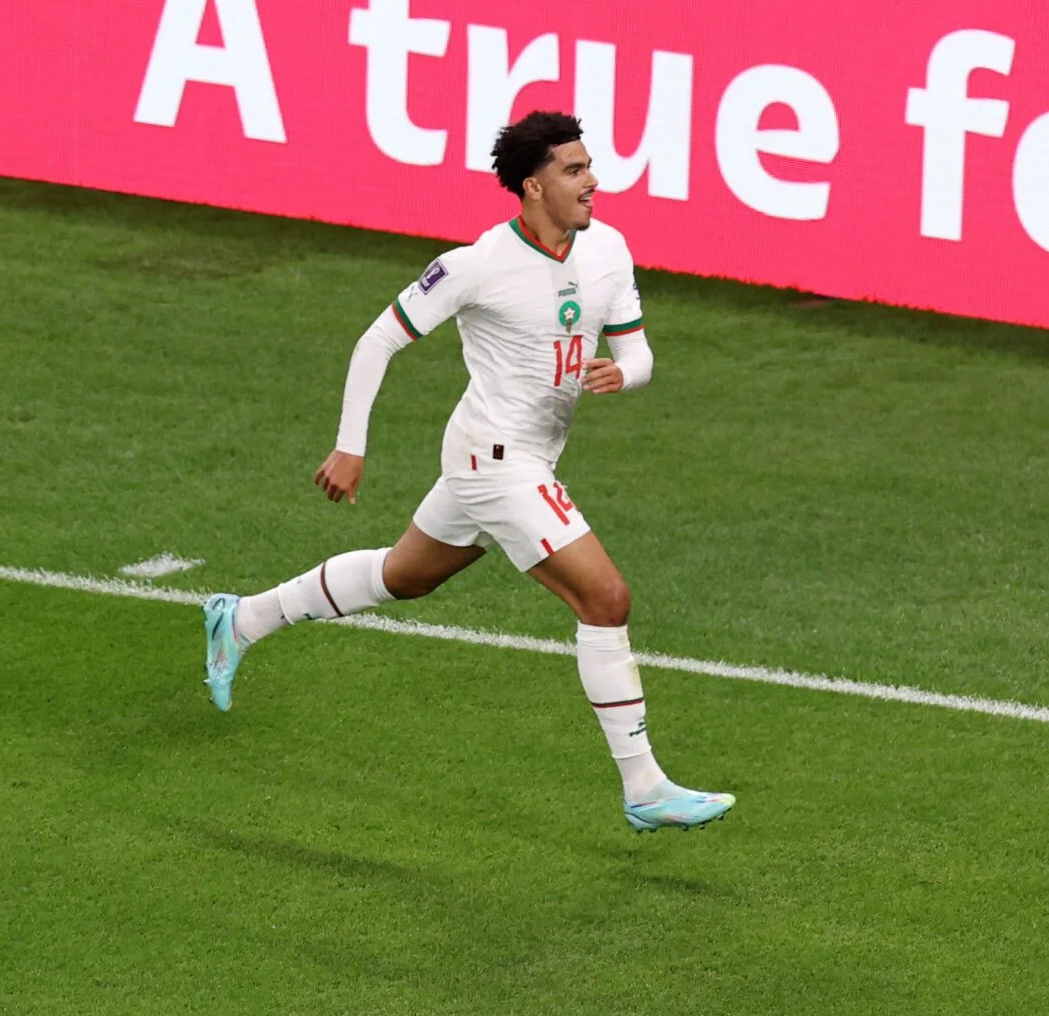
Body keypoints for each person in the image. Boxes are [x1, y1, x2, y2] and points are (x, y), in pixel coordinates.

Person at [200, 111, 734, 834]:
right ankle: (644, 787)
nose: (593, 180)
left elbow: (639, 353)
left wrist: (622, 376)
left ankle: (243, 618)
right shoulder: (478, 265)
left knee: (405, 576)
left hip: (527, 456)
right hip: (494, 457)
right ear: (532, 187)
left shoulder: (609, 248)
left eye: (588, 166)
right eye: (573, 170)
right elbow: (378, 339)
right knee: (605, 597)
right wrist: (351, 444)